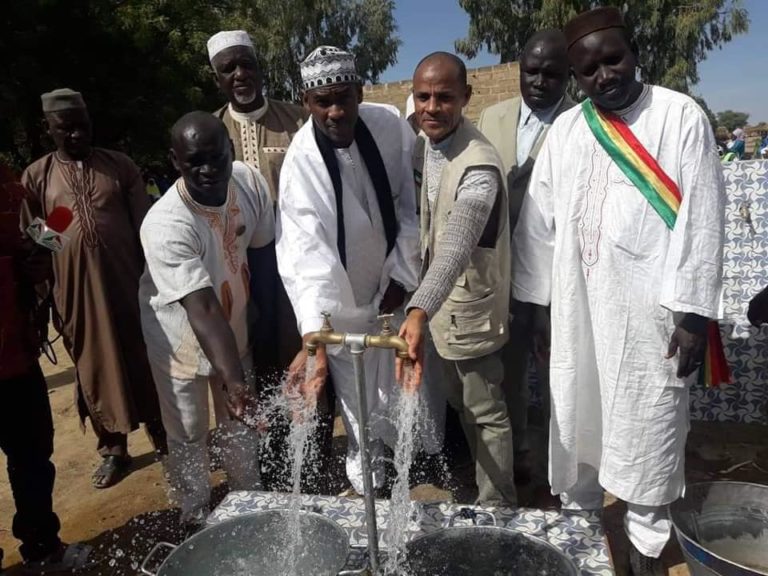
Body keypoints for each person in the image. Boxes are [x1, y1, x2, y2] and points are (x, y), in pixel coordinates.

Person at [511, 8, 724, 574]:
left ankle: (646, 545)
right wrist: (537, 312)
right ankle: (582, 533)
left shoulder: (680, 115)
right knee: (576, 416)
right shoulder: (567, 130)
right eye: (588, 69)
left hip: (651, 313)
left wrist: (695, 313)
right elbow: (537, 226)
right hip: (579, 311)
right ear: (575, 77)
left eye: (614, 59)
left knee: (648, 425)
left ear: (634, 54)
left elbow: (702, 216)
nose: (604, 75)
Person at [276, 46, 420, 495]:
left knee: (402, 387)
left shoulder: (389, 126)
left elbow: (413, 204)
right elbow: (305, 250)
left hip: (394, 286)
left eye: (344, 97)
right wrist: (317, 330)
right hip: (339, 304)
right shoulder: (301, 159)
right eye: (323, 102)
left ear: (360, 91)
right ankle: (368, 477)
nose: (335, 111)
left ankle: (408, 461)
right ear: (306, 101)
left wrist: (401, 275)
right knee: (356, 396)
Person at [21, 88, 166, 490]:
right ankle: (113, 449)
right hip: (76, 295)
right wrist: (64, 254)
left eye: (81, 126)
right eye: (65, 129)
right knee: (93, 367)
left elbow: (146, 228)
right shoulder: (37, 176)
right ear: (49, 128)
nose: (75, 135)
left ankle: (163, 434)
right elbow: (35, 235)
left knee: (146, 357)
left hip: (130, 286)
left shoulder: (119, 167)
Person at [138, 112, 271, 531]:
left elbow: (265, 253)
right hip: (179, 338)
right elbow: (202, 307)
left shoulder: (248, 183)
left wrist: (270, 330)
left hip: (236, 329)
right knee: (188, 430)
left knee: (239, 429)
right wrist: (235, 381)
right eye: (195, 161)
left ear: (231, 150)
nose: (209, 170)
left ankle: (249, 504)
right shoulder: (165, 223)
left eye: (217, 157)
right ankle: (194, 514)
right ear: (175, 160)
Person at [398, 52, 517, 506]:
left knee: (485, 411)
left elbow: (455, 244)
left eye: (444, 97)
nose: (431, 106)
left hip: (468, 309)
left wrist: (418, 308)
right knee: (461, 405)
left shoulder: (479, 165)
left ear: (465, 97)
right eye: (423, 96)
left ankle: (497, 506)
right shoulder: (426, 145)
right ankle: (480, 485)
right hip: (440, 309)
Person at [208, 30, 313, 489]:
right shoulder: (212, 130)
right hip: (241, 272)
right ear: (217, 79)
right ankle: (269, 459)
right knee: (254, 361)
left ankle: (309, 456)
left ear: (260, 66)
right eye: (228, 69)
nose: (239, 75)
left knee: (302, 356)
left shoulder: (296, 120)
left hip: (296, 262)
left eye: (246, 64)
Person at [477, 29, 573, 488]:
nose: (538, 81)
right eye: (529, 71)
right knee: (507, 374)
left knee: (559, 376)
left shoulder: (583, 124)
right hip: (503, 278)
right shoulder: (492, 117)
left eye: (550, 73)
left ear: (568, 75)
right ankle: (516, 458)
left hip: (561, 280)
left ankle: (565, 469)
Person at [0, 163, 93, 574]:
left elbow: (35, 237)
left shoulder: (6, 182)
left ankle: (42, 547)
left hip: (16, 356)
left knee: (34, 456)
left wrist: (37, 261)